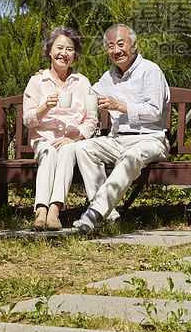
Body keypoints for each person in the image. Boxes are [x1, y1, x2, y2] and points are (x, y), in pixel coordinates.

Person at [73, 24, 170, 233]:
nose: (116, 51)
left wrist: (120, 106)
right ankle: (111, 215)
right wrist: (58, 75)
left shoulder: (150, 71)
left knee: (131, 155)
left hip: (150, 139)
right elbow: (86, 94)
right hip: (117, 139)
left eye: (120, 44)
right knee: (83, 148)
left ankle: (94, 213)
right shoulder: (108, 77)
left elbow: (155, 111)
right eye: (110, 46)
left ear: (134, 45)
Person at [23, 26, 97, 231]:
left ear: (75, 54)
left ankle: (54, 210)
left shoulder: (83, 83)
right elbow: (27, 120)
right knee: (48, 151)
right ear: (49, 51)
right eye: (59, 48)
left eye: (70, 49)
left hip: (71, 143)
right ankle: (41, 211)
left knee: (65, 150)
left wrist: (74, 137)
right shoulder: (37, 81)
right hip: (43, 141)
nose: (64, 53)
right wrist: (44, 107)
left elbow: (91, 119)